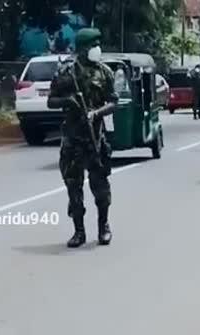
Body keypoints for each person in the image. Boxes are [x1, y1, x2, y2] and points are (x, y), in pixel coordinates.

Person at [47, 28, 119, 248]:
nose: (97, 49)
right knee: (73, 186)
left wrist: (96, 113)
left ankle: (103, 227)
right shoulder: (66, 72)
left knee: (100, 186)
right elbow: (51, 101)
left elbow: (114, 102)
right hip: (73, 138)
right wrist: (68, 101)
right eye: (93, 45)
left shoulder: (104, 71)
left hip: (95, 137)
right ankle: (79, 231)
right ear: (83, 48)